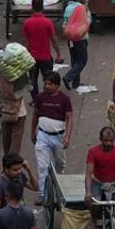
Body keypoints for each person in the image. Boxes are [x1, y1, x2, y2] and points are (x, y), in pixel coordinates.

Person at [32, 72, 74, 200]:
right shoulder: (40, 97)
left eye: (49, 84)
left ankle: (58, 185)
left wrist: (67, 137)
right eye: (45, 83)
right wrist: (32, 132)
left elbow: (69, 118)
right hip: (42, 136)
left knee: (60, 164)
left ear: (57, 85)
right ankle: (42, 194)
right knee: (42, 166)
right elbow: (35, 115)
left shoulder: (65, 99)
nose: (46, 86)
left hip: (58, 137)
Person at [23, 0, 63, 97]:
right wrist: (58, 54)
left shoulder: (27, 23)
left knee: (33, 79)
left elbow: (25, 41)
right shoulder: (47, 22)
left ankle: (35, 99)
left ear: (32, 8)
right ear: (43, 7)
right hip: (45, 57)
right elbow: (54, 40)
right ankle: (47, 97)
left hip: (32, 58)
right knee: (48, 79)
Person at [62, 0, 90, 90]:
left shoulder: (68, 8)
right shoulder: (82, 8)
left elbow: (65, 22)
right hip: (80, 38)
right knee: (82, 60)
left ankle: (76, 83)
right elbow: (88, 21)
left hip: (70, 38)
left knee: (75, 60)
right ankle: (68, 77)